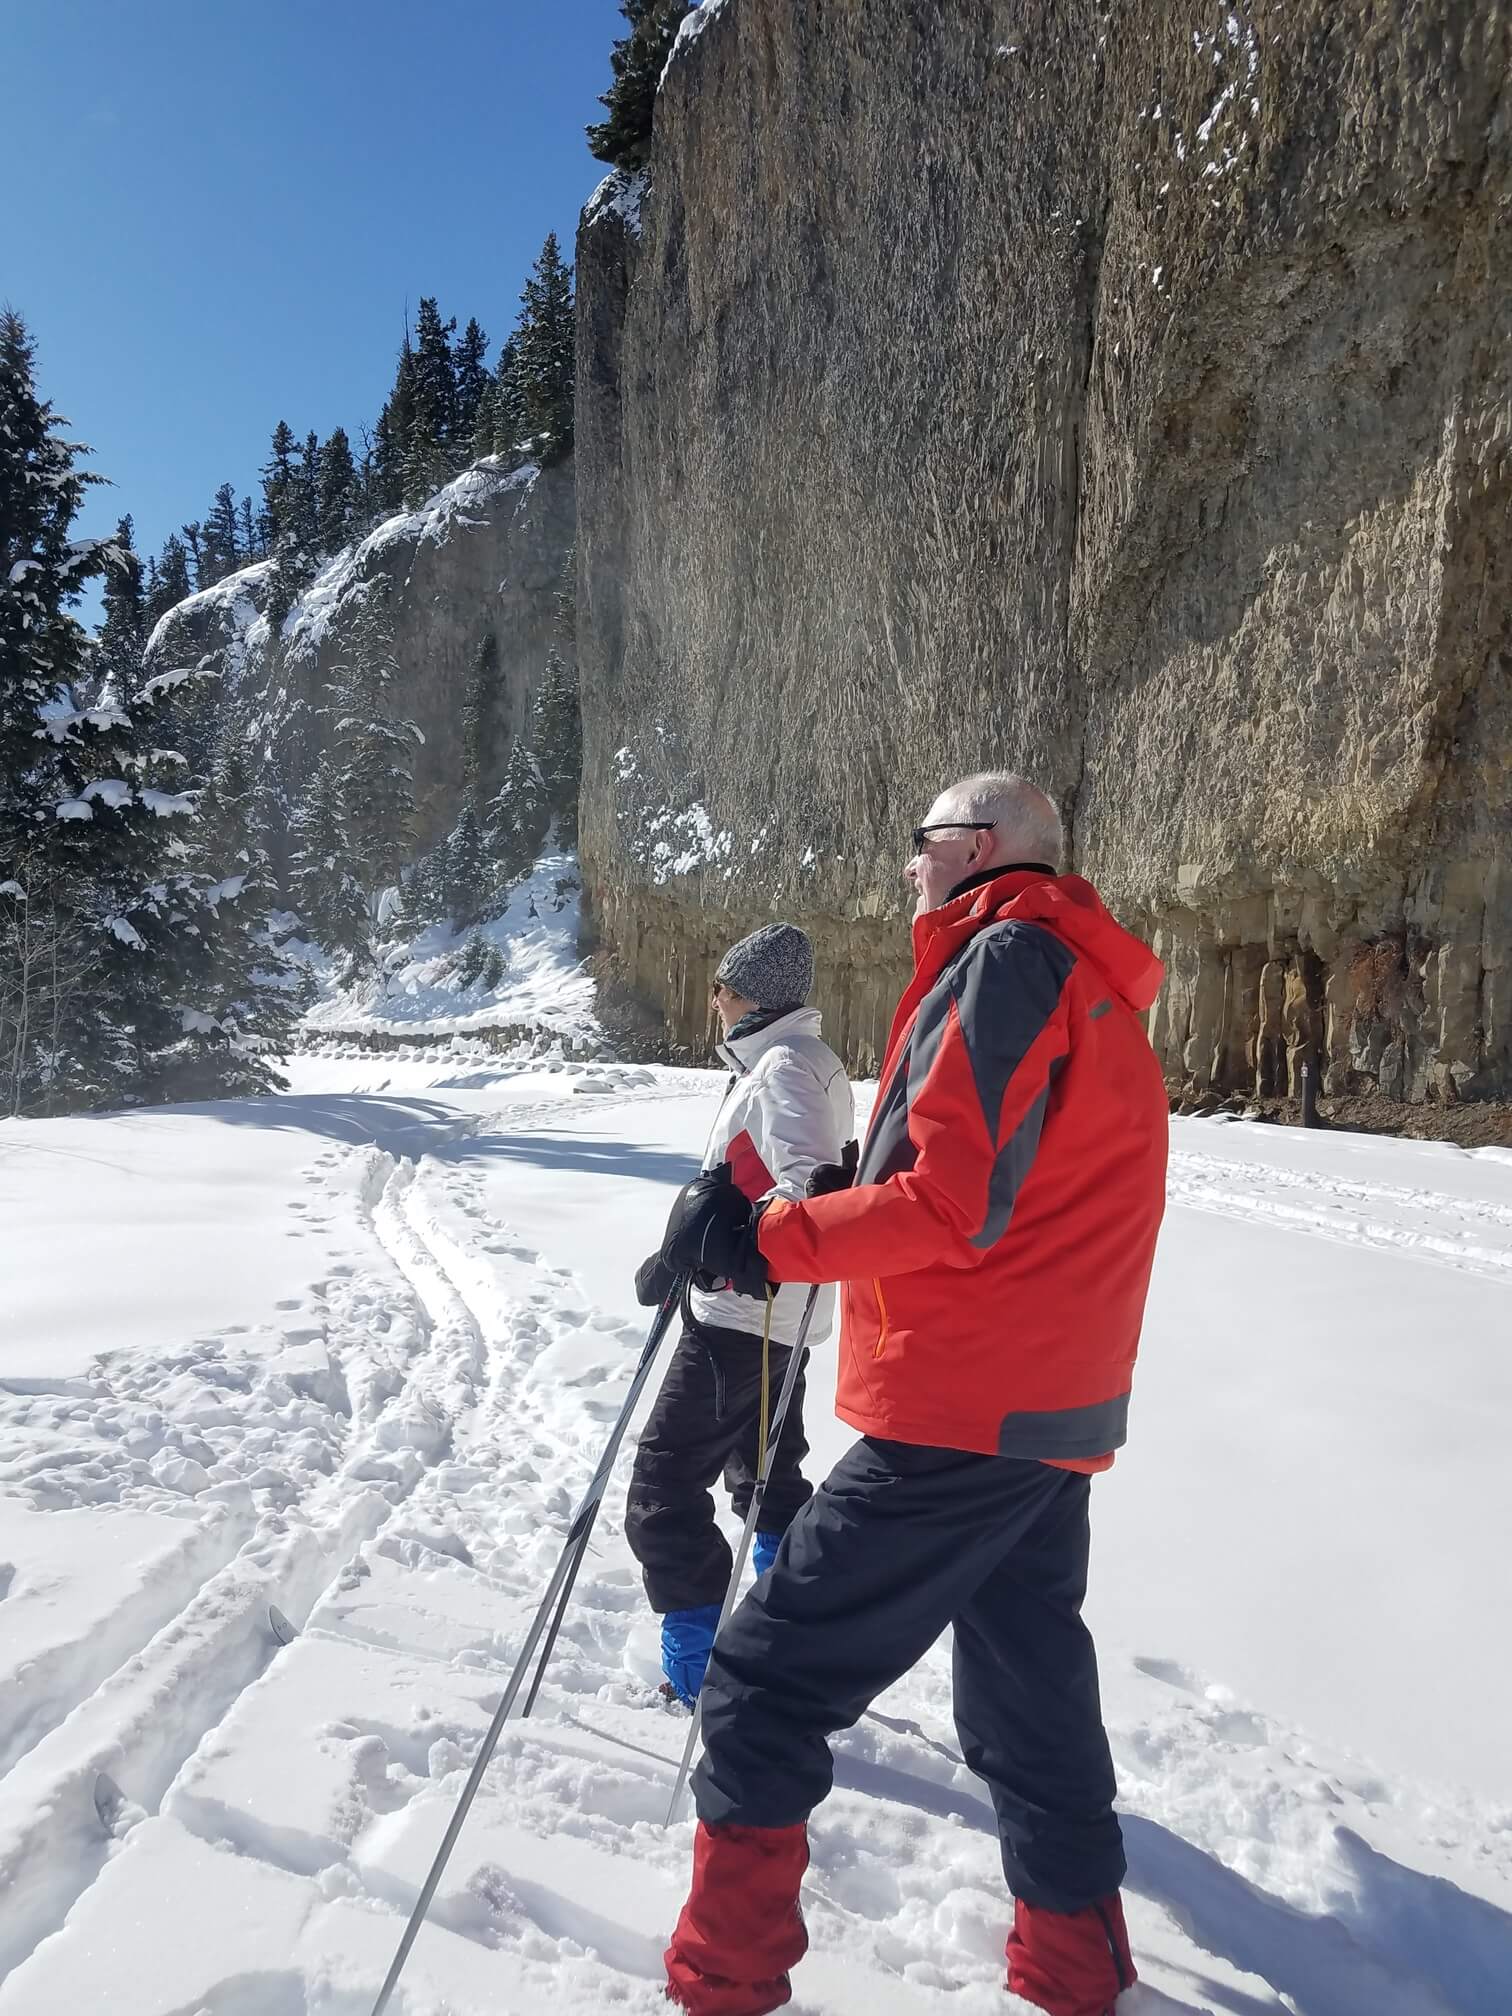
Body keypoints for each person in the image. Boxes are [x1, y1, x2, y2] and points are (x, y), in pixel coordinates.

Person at [655, 774, 1169, 2016]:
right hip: (1051, 1409)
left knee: (767, 1677)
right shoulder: (1091, 983)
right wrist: (822, 1190)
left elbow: (949, 1205)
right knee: (1028, 1698)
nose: (907, 869)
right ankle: (1075, 1969)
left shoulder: (1004, 963)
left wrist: (764, 1239)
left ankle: (721, 1985)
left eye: (923, 845)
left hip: (962, 1410)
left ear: (977, 850)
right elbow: (996, 1180)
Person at [627, 922, 855, 1707]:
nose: (714, 999)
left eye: (722, 986)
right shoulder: (794, 1061)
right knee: (766, 1477)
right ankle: (791, 1633)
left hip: (742, 1324)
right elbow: (755, 1182)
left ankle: (698, 1675)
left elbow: (811, 1189)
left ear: (752, 994)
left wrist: (726, 1247)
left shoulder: (785, 1069)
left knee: (663, 1487)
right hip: (770, 1321)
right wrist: (684, 1248)